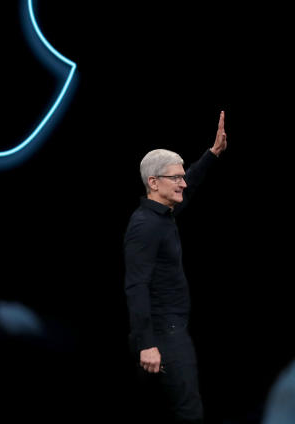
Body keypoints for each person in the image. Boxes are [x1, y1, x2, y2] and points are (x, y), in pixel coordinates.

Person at [124, 110, 227, 423]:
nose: (183, 182)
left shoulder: (162, 214)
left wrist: (212, 154)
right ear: (153, 182)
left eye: (183, 175)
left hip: (165, 331)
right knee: (188, 412)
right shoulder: (145, 226)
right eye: (175, 177)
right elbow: (136, 284)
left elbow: (190, 186)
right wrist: (147, 345)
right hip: (162, 336)